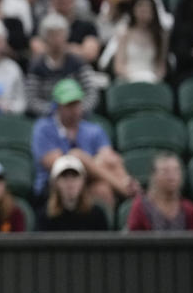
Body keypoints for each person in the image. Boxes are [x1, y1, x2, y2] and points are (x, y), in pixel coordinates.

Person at [31, 78, 137, 207]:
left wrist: (93, 164)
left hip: (89, 182)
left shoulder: (94, 129)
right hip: (54, 186)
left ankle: (127, 185)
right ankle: (126, 190)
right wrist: (87, 161)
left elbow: (109, 158)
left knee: (102, 188)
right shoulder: (43, 128)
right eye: (69, 105)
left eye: (77, 104)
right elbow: (61, 166)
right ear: (58, 107)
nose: (74, 109)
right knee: (76, 156)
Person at [25, 13, 98, 117]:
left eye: (60, 34)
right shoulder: (36, 66)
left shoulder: (78, 63)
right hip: (47, 119)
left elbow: (92, 93)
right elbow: (31, 99)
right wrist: (53, 111)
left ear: (66, 36)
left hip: (79, 117)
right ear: (45, 38)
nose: (56, 40)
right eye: (52, 35)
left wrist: (76, 110)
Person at [37, 154, 109, 231]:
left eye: (75, 176)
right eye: (64, 176)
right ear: (55, 183)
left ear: (83, 181)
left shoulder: (97, 215)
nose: (70, 182)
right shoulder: (45, 216)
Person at [127, 153, 193, 231]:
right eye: (165, 171)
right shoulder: (140, 207)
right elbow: (133, 240)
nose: (171, 177)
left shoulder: (189, 209)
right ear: (154, 175)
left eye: (176, 170)